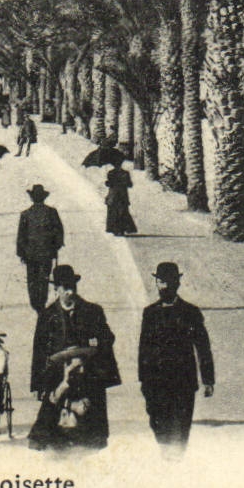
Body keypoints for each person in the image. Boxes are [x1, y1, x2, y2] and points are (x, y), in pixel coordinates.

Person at [28, 265, 120, 450]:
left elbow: (108, 337)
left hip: (88, 366)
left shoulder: (93, 311)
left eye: (72, 287)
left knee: (92, 400)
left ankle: (94, 438)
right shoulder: (47, 316)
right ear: (56, 290)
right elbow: (39, 350)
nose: (69, 292)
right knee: (53, 399)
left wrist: (96, 343)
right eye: (65, 288)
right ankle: (48, 437)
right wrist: (38, 383)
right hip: (58, 369)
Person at [138, 262, 214, 454]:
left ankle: (175, 464)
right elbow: (144, 350)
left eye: (169, 282)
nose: (164, 287)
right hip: (156, 384)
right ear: (157, 283)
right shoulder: (150, 313)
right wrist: (144, 381)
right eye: (161, 282)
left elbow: (203, 347)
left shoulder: (191, 312)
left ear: (177, 284)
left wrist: (208, 380)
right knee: (159, 429)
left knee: (180, 433)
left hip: (183, 384)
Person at [16, 184, 65, 312]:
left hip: (30, 253)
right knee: (44, 279)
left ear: (32, 199)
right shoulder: (51, 212)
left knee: (32, 279)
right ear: (43, 198)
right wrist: (56, 247)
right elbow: (59, 231)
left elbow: (21, 235)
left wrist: (21, 253)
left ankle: (35, 304)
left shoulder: (25, 214)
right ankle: (41, 304)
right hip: (47, 252)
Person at [104, 159, 137, 236]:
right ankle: (119, 230)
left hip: (115, 196)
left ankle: (117, 229)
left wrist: (108, 182)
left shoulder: (111, 173)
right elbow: (130, 184)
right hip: (120, 196)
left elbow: (110, 184)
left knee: (117, 212)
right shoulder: (124, 173)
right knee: (120, 212)